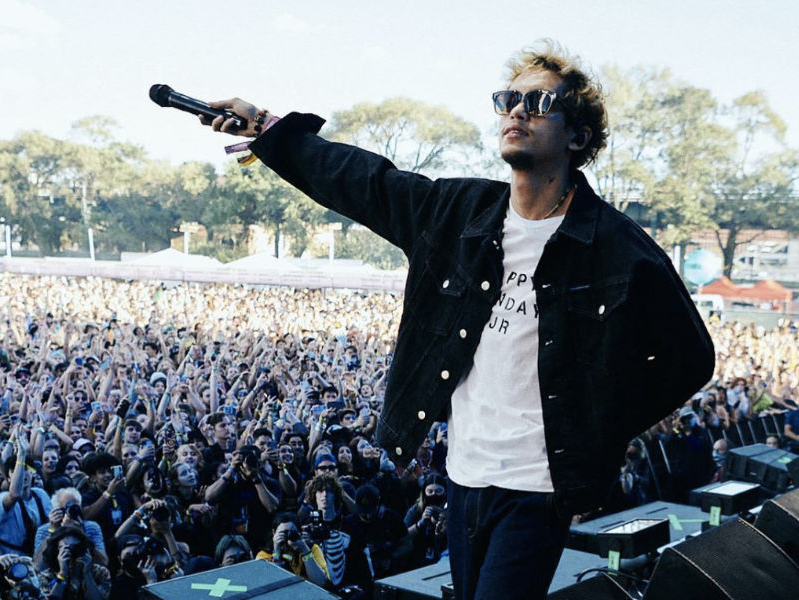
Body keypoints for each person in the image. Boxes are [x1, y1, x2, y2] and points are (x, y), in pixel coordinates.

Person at [199, 39, 715, 599]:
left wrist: (593, 426)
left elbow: (690, 360)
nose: (517, 111)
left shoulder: (621, 250)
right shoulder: (458, 214)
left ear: (577, 137)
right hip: (464, 474)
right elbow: (363, 180)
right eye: (509, 99)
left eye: (539, 104)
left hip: (538, 487)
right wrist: (269, 128)